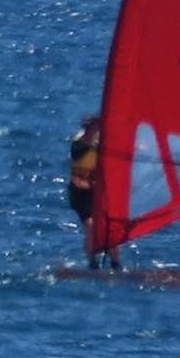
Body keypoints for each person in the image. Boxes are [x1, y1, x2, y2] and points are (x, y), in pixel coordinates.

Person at [68, 113, 117, 268]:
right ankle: (92, 263)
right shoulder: (78, 144)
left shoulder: (101, 142)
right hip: (80, 194)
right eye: (96, 127)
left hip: (97, 192)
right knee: (90, 224)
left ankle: (116, 264)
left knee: (109, 226)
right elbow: (80, 151)